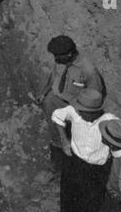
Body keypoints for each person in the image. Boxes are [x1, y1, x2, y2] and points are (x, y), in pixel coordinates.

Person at [51, 87, 121, 212]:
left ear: (95, 110)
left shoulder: (110, 121)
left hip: (96, 172)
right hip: (73, 163)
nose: (80, 113)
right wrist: (64, 141)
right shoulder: (74, 110)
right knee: (68, 201)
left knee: (90, 208)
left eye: (84, 111)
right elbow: (57, 116)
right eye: (80, 109)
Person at [39, 35, 106, 170]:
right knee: (55, 132)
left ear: (69, 54)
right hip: (54, 100)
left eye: (58, 56)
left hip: (75, 107)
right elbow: (54, 75)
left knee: (75, 140)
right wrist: (44, 92)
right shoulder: (60, 59)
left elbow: (95, 96)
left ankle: (72, 163)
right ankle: (58, 156)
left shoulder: (89, 71)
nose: (55, 58)